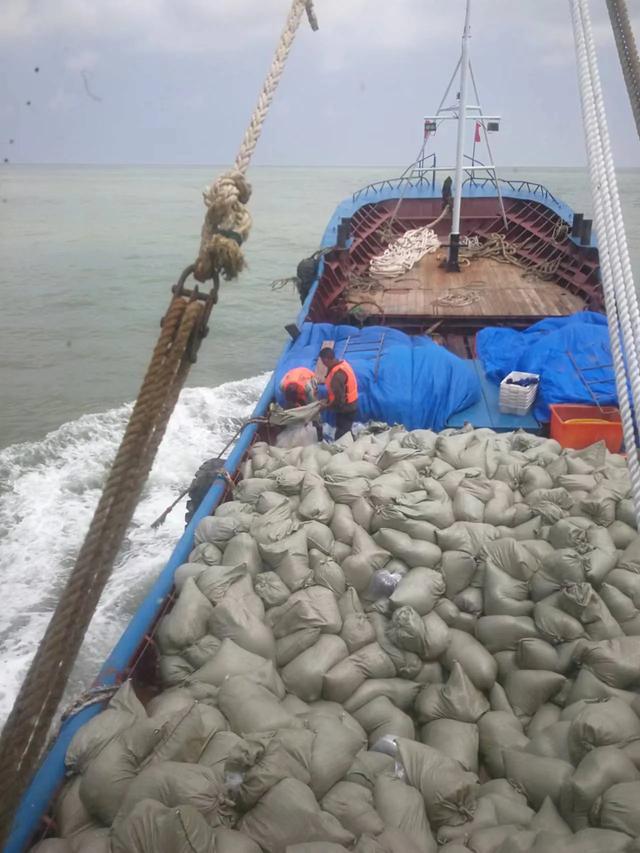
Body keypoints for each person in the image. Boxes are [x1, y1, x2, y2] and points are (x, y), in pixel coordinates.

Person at [319, 347, 359, 439]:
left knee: (341, 436)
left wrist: (326, 406)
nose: (322, 364)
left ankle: (344, 449)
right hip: (351, 404)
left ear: (326, 359)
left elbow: (339, 400)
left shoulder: (337, 375)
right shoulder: (342, 364)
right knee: (345, 429)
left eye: (322, 361)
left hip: (346, 408)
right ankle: (351, 440)